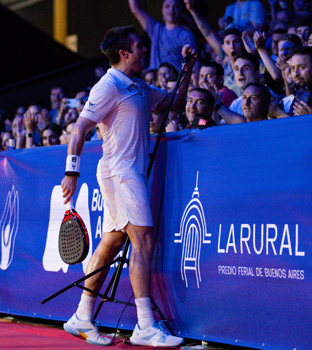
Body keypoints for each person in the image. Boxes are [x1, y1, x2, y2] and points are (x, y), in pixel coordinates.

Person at [61, 26, 195, 347]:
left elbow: (174, 103)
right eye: (139, 48)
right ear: (124, 53)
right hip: (120, 173)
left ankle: (81, 315)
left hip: (129, 173)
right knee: (144, 241)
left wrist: (187, 69)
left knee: (111, 243)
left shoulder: (139, 86)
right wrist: (71, 172)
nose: (144, 51)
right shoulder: (107, 86)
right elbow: (79, 130)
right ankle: (145, 325)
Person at [128, 0, 196, 70]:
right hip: (155, 78)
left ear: (180, 11)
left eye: (175, 7)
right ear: (162, 11)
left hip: (175, 78)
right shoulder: (156, 29)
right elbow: (135, 9)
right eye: (167, 6)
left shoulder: (186, 35)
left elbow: (193, 63)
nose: (171, 9)